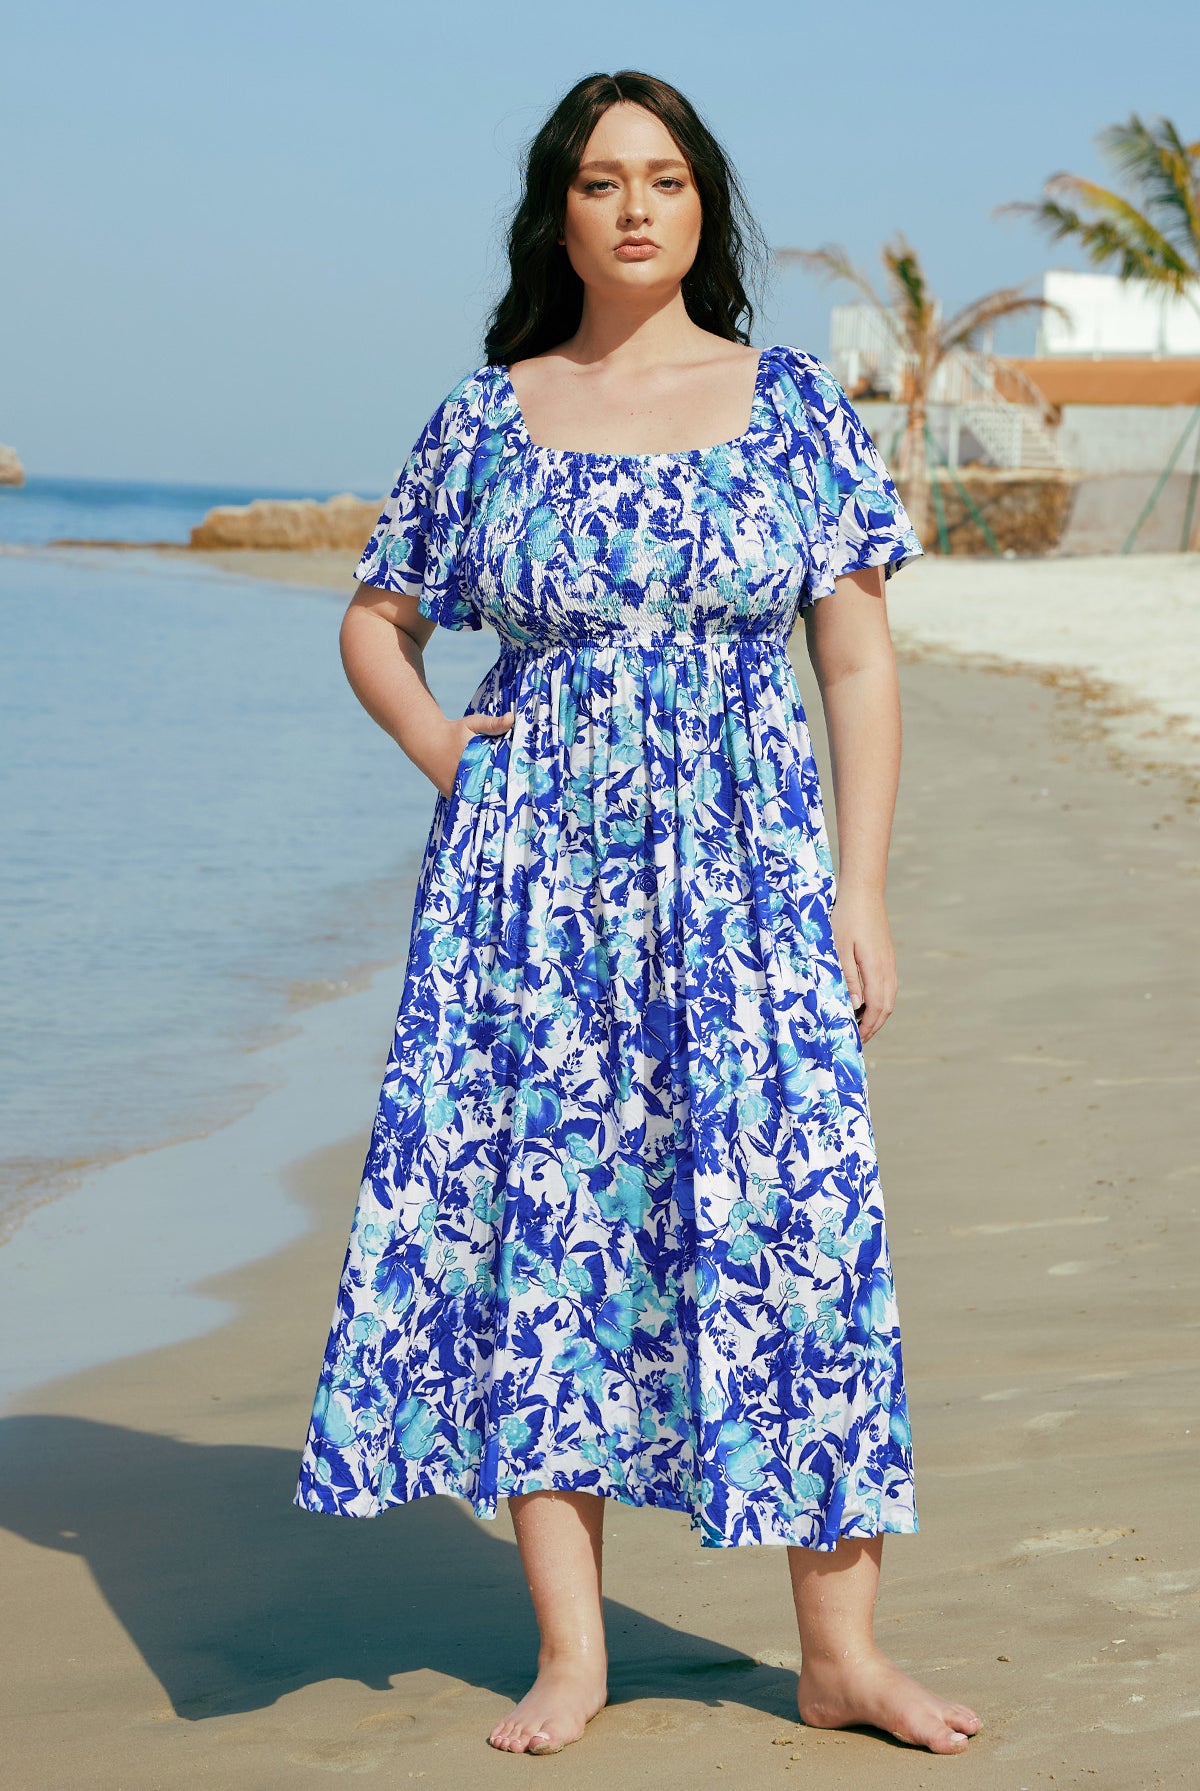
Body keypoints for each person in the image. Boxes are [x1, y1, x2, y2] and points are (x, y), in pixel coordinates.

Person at [294, 68, 982, 1760]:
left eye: (666, 179)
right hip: (529, 900)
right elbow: (376, 621)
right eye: (602, 181)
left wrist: (861, 890)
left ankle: (842, 1655)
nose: (635, 208)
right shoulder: (487, 416)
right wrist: (441, 744)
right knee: (549, 1233)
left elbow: (856, 660)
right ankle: (572, 1654)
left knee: (801, 1227)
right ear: (560, 213)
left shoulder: (793, 402)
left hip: (751, 882)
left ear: (702, 207)